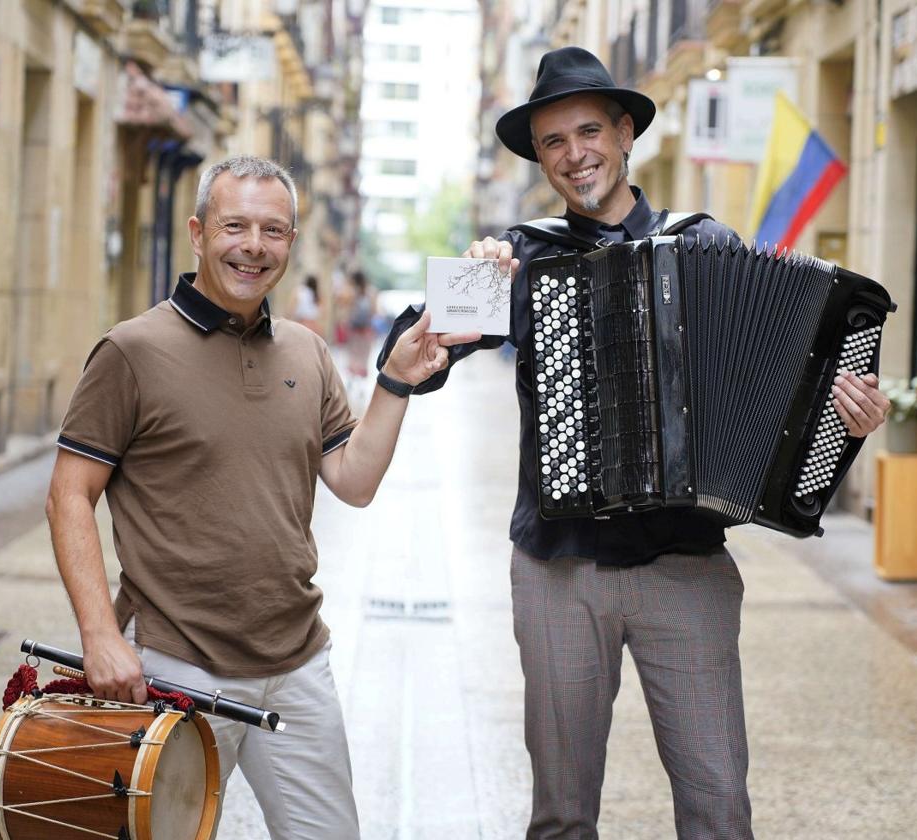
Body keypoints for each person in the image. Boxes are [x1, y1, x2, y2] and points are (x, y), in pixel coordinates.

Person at [377, 48, 891, 839]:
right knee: (561, 814)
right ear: (540, 158)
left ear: (624, 135)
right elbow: (408, 348)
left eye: (589, 131)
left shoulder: (707, 244)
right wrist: (461, 287)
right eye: (554, 141)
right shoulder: (524, 256)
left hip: (685, 568)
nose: (575, 154)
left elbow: (793, 391)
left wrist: (846, 417)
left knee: (720, 803)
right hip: (559, 569)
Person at [46, 155, 476, 839]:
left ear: (291, 243)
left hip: (297, 663)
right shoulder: (132, 352)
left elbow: (353, 483)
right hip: (172, 662)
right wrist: (100, 636)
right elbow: (70, 494)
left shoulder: (307, 353)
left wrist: (396, 382)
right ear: (197, 232)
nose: (254, 246)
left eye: (273, 231)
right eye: (235, 225)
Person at [291, 273, 324, 337]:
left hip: (301, 323)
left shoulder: (299, 291)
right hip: (314, 326)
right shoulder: (317, 295)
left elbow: (292, 309)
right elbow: (322, 311)